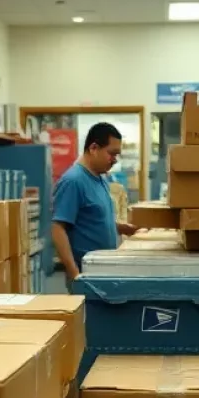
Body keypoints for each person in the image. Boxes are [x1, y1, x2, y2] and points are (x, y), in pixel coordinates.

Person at [52, 122, 136, 287]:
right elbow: (57, 228)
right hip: (86, 275)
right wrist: (75, 273)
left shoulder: (100, 178)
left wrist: (123, 228)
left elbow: (94, 218)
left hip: (104, 270)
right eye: (111, 154)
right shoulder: (73, 181)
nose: (114, 160)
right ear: (94, 148)